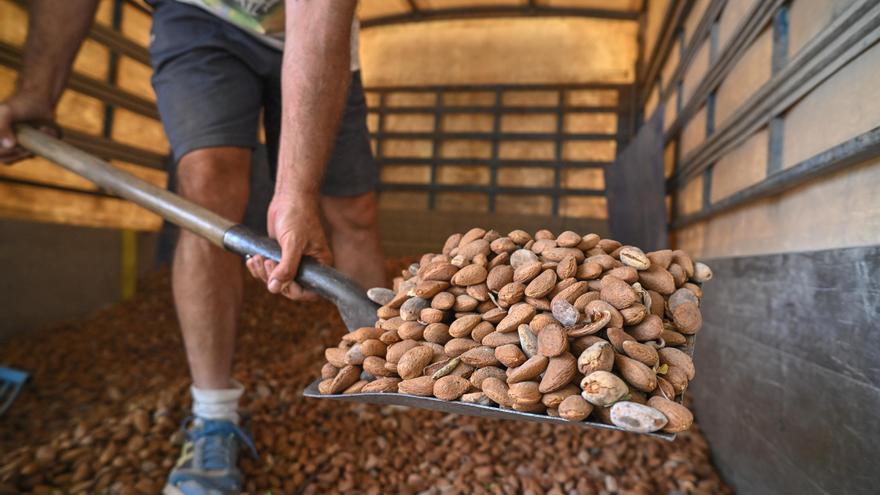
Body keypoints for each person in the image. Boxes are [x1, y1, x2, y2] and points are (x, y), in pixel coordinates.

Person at [0, 1, 385, 493]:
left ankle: (386, 372)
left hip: (315, 32)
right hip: (199, 14)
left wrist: (296, 190)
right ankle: (214, 415)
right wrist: (38, 88)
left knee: (354, 211)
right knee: (208, 189)